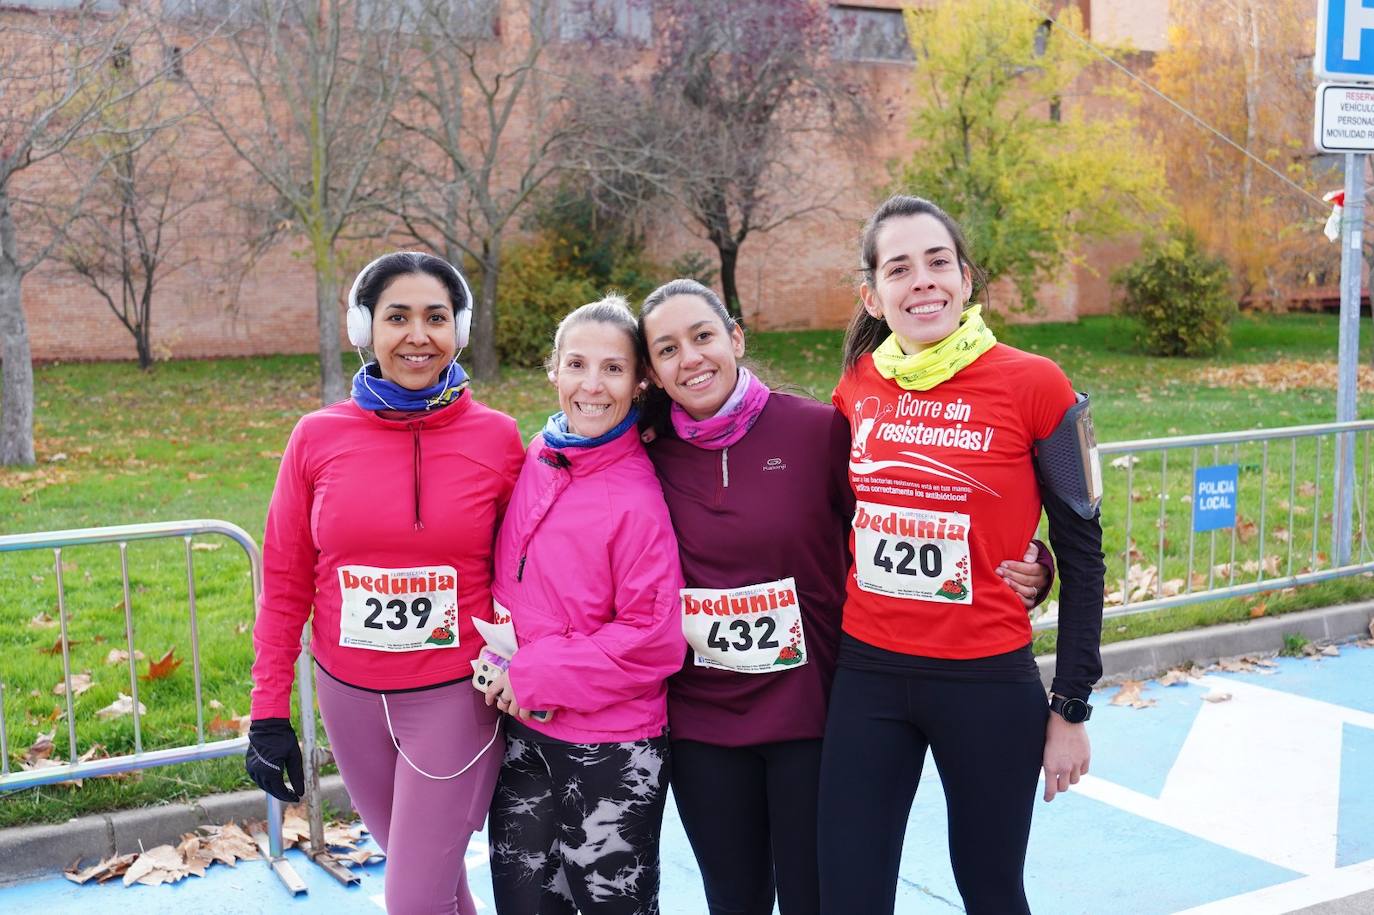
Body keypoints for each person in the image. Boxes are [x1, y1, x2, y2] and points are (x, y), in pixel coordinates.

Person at [635, 278, 1057, 915]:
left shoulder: (814, 429)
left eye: (703, 336)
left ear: (735, 338)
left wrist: (1034, 562)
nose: (690, 357)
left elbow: (904, 510)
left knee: (818, 897)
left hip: (809, 709)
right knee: (732, 900)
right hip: (702, 718)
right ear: (653, 372)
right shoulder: (644, 453)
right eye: (667, 349)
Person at [817, 195, 1106, 915]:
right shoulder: (857, 385)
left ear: (966, 278)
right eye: (900, 268)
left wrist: (1070, 706)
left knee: (990, 889)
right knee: (848, 891)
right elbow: (845, 519)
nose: (923, 282)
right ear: (872, 294)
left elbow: (1085, 554)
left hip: (986, 682)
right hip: (869, 673)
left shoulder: (1038, 383)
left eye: (938, 262)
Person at [244, 251, 524, 915]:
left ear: (459, 328)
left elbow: (529, 571)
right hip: (350, 700)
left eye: (436, 317)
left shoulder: (499, 438)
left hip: (457, 696)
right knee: (435, 883)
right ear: (365, 328)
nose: (418, 335)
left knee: (412, 900)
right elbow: (285, 581)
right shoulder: (315, 437)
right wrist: (267, 710)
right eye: (397, 317)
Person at [483, 295, 686, 915]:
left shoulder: (636, 496)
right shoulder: (537, 458)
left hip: (611, 751)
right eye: (576, 364)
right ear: (554, 372)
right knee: (522, 903)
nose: (591, 385)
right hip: (523, 733)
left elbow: (655, 636)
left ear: (639, 381)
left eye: (613, 369)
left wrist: (533, 675)